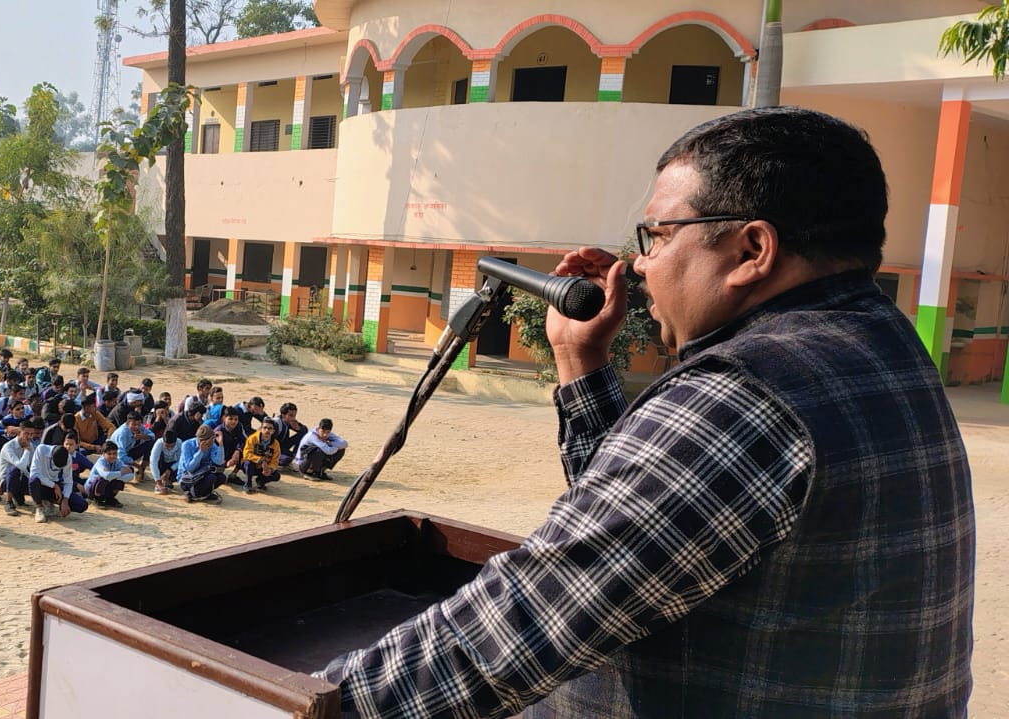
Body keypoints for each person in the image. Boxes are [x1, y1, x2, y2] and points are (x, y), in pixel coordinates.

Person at [318, 108, 974, 717]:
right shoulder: (880, 344)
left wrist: (299, 701)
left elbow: (514, 629)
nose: (638, 265)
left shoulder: (743, 395)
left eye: (658, 236)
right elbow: (649, 530)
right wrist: (579, 359)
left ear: (752, 251)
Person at [29, 437, 89, 523]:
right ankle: (39, 508)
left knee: (82, 505)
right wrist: (54, 485)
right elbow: (34, 474)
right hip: (40, 485)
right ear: (51, 457)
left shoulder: (68, 457)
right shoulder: (41, 449)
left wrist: (65, 500)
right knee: (33, 480)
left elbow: (68, 481)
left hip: (55, 486)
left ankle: (50, 503)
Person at [176, 424, 224, 504]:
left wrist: (220, 445)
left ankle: (205, 493)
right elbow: (190, 468)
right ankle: (191, 493)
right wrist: (201, 451)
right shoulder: (187, 445)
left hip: (203, 474)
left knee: (221, 477)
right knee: (211, 477)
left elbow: (219, 462)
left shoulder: (212, 444)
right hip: (187, 477)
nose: (211, 442)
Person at [85, 441, 132, 509]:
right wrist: (120, 473)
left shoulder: (117, 461)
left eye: (114, 453)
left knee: (119, 481)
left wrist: (114, 476)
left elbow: (130, 476)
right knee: (102, 478)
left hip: (106, 486)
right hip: (91, 489)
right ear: (103, 454)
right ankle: (97, 499)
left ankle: (110, 499)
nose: (112, 456)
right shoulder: (100, 462)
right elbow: (106, 475)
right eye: (109, 454)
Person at [240, 419, 281, 494]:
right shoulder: (252, 438)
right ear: (261, 429)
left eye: (270, 428)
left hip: (263, 469)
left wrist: (270, 469)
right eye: (265, 428)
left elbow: (275, 461)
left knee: (276, 475)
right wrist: (261, 460)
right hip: (251, 466)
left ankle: (261, 481)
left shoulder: (276, 444)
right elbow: (247, 454)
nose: (267, 430)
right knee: (248, 463)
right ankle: (247, 484)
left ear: (273, 431)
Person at [148, 430, 180, 495]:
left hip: (172, 464)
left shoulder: (179, 442)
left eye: (172, 446)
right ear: (163, 441)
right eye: (167, 446)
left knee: (183, 466)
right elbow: (153, 462)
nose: (169, 448)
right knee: (159, 457)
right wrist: (159, 483)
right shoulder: (159, 443)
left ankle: (168, 481)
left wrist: (170, 469)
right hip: (161, 464)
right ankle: (160, 481)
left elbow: (181, 460)